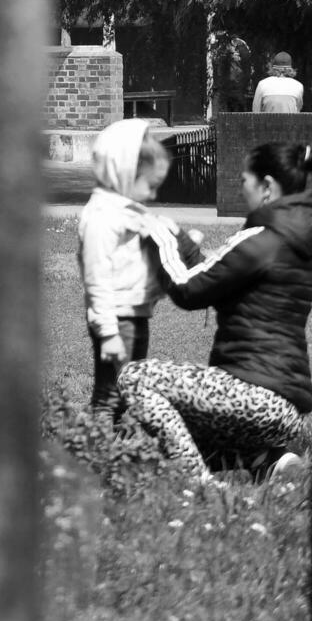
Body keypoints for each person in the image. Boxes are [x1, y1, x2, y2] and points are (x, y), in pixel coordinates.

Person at [121, 141, 312, 482]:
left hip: (252, 397)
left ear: (266, 187)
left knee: (136, 378)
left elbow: (189, 290)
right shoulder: (295, 242)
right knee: (153, 458)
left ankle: (200, 486)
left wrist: (159, 233)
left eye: (244, 180)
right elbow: (216, 279)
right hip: (286, 408)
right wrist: (184, 244)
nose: (240, 187)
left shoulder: (260, 239)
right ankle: (268, 460)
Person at [77, 118, 201, 418]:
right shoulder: (102, 217)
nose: (154, 195)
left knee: (128, 391)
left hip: (135, 314)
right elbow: (97, 279)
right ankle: (96, 454)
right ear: (124, 172)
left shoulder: (124, 209)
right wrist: (108, 333)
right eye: (150, 185)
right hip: (118, 318)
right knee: (111, 396)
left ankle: (117, 453)